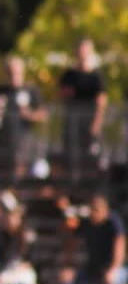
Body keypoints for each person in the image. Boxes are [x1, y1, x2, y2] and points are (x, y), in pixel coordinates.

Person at [57, 193, 125, 284]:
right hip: (93, 269)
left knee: (112, 281)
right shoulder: (87, 223)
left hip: (117, 269)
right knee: (68, 280)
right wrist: (68, 266)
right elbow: (72, 242)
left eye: (97, 210)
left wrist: (113, 270)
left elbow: (120, 248)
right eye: (92, 209)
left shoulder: (113, 223)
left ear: (105, 210)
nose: (94, 213)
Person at [0, 56, 46, 183]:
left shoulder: (31, 91)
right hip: (2, 140)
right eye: (10, 71)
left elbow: (43, 115)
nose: (13, 74)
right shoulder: (0, 91)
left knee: (19, 169)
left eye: (15, 71)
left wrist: (29, 114)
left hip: (23, 140)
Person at [59, 38, 108, 180]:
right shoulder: (69, 75)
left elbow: (101, 101)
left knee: (91, 156)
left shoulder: (96, 76)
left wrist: (96, 124)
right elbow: (63, 95)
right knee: (72, 156)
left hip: (89, 123)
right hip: (73, 123)